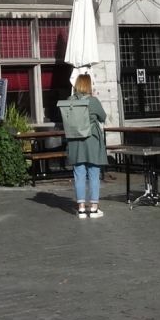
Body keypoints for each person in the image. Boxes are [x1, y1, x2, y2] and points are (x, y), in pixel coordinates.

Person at [60, 74, 108, 219]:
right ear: (88, 85)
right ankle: (93, 209)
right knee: (93, 174)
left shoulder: (69, 101)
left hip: (75, 141)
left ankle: (81, 208)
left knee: (79, 175)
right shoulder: (93, 101)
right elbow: (103, 117)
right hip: (91, 140)